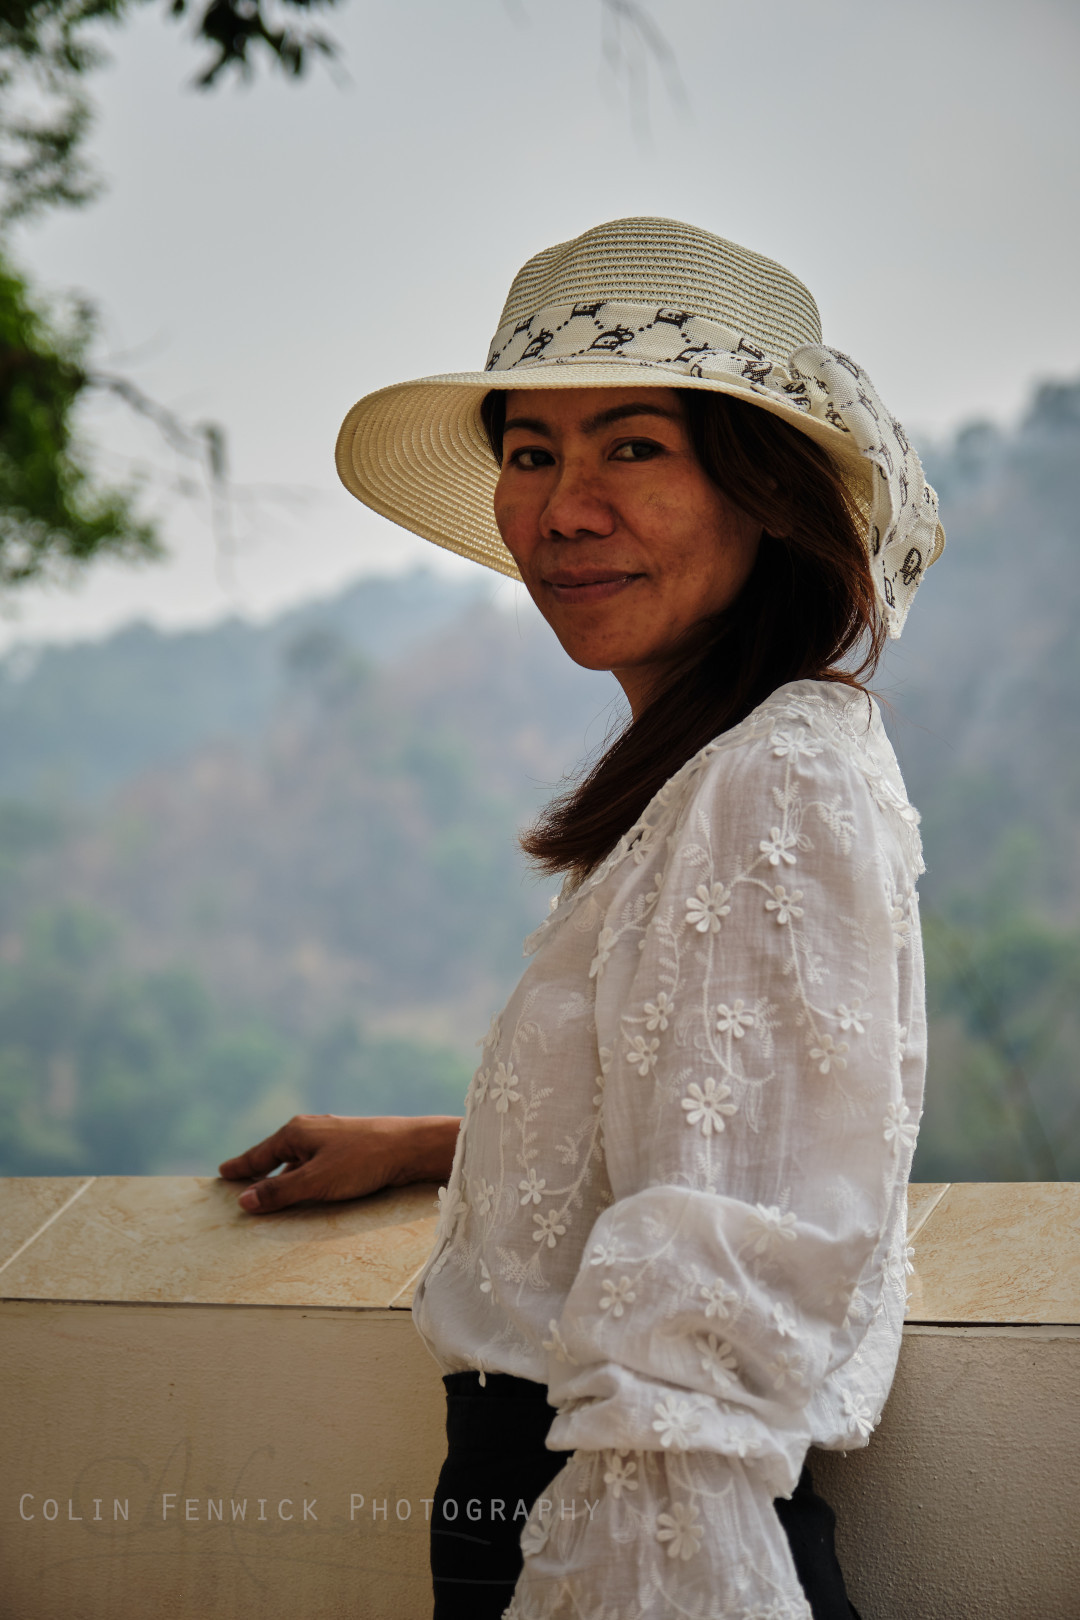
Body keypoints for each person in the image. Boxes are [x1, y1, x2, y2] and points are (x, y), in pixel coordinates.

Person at [219, 217, 942, 1620]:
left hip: (630, 1534)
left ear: (765, 491)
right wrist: (441, 1144)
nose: (564, 510)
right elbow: (716, 1115)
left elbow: (724, 1287)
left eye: (633, 447)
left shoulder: (776, 779)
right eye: (532, 453)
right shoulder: (717, 770)